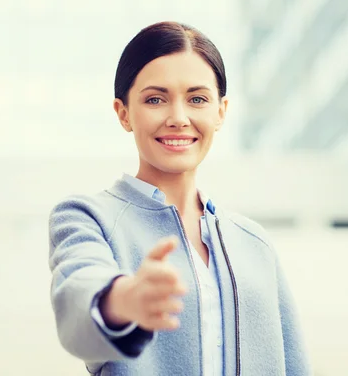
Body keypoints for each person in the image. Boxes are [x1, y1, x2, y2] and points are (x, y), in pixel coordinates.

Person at [48, 21, 310, 376]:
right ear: (124, 113)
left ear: (221, 111)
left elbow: (294, 364)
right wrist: (123, 299)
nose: (178, 118)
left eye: (197, 99)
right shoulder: (87, 217)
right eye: (155, 99)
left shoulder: (254, 242)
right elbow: (77, 307)